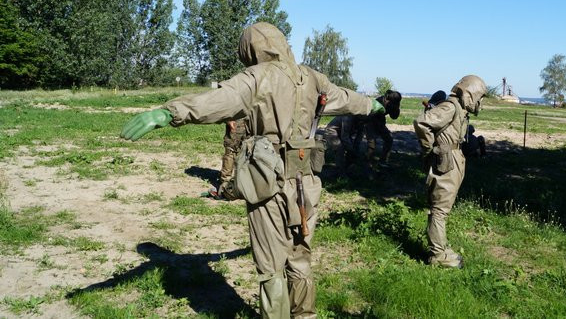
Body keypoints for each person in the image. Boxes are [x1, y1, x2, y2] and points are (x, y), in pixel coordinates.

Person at [120, 22, 384, 318]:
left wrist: (169, 112)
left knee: (271, 265)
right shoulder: (312, 78)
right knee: (300, 256)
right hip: (306, 182)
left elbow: (218, 101)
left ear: (249, 50)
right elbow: (347, 98)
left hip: (267, 182)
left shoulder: (256, 78)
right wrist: (374, 104)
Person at [413, 75, 487, 268]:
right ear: (471, 94)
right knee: (440, 210)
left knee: (442, 208)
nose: (481, 102)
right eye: (480, 97)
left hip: (453, 160)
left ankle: (441, 248)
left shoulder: (460, 109)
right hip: (446, 160)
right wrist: (429, 148)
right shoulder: (450, 107)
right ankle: (438, 255)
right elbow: (422, 122)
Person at [207, 117, 250, 200]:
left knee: (238, 150)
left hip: (244, 120)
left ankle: (226, 188)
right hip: (240, 120)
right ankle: (226, 187)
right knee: (235, 151)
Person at [363, 90, 402, 168]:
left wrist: (397, 108)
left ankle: (383, 161)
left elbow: (394, 117)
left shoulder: (393, 103)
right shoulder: (379, 102)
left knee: (389, 139)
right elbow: (369, 116)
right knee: (372, 144)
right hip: (370, 121)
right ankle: (367, 163)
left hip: (380, 122)